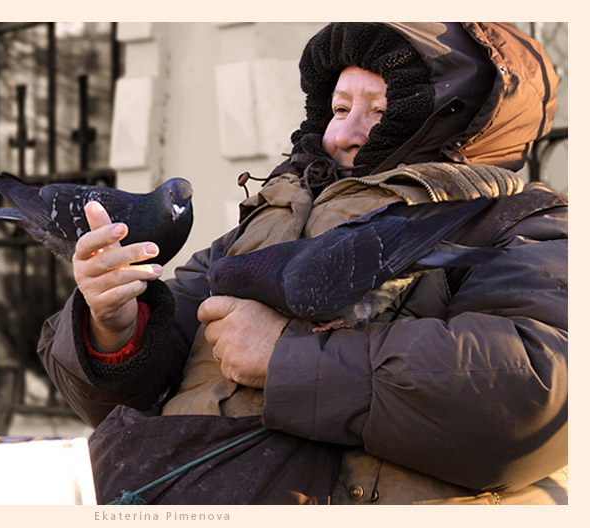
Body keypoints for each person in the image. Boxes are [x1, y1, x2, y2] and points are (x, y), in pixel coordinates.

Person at [37, 22, 567, 505]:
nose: (344, 134)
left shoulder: (523, 225)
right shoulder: (267, 219)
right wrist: (115, 326)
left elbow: (540, 391)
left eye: (380, 111)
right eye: (338, 109)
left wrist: (286, 359)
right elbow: (137, 377)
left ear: (448, 118)